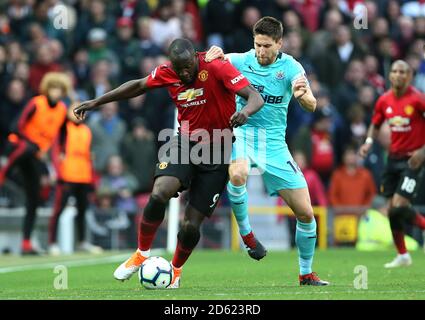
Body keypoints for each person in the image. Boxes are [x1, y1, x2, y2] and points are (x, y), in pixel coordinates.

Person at [73, 38, 264, 288]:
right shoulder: (167, 72)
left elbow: (255, 97)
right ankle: (141, 253)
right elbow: (138, 85)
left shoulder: (215, 66)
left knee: (190, 225)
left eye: (187, 67)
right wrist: (96, 102)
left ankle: (175, 270)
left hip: (218, 148)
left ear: (195, 57)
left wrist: (245, 112)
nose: (184, 73)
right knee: (160, 191)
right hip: (184, 143)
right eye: (178, 68)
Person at [205, 16, 329, 285]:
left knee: (306, 214)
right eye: (257, 44)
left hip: (273, 144)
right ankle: (248, 236)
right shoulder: (239, 60)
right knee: (237, 175)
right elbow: (206, 65)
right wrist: (212, 55)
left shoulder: (292, 67)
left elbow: (311, 104)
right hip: (242, 133)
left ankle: (306, 273)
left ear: (279, 43)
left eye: (267, 46)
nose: (261, 51)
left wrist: (303, 95)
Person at [359, 60, 425, 268]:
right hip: (392, 160)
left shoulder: (418, 100)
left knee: (398, 206)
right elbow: (375, 123)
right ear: (390, 76)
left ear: (410, 76)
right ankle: (403, 255)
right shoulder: (384, 100)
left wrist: (422, 152)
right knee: (392, 209)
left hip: (412, 161)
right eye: (394, 71)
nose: (398, 75)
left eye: (402, 72)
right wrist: (369, 142)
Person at [0, 72, 69, 255]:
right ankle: (3, 171)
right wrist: (33, 143)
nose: (56, 92)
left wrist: (61, 152)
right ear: (47, 88)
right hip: (20, 147)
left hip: (36, 155)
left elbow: (63, 133)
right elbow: (17, 126)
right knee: (25, 150)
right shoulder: (36, 103)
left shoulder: (62, 109)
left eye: (59, 89)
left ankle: (26, 243)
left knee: (34, 198)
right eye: (53, 88)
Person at [48, 107, 103, 256]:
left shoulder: (86, 130)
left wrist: (92, 177)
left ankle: (82, 242)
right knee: (58, 209)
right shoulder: (63, 129)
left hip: (83, 175)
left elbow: (89, 154)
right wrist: (58, 172)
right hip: (67, 174)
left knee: (83, 210)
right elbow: (55, 151)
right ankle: (52, 243)